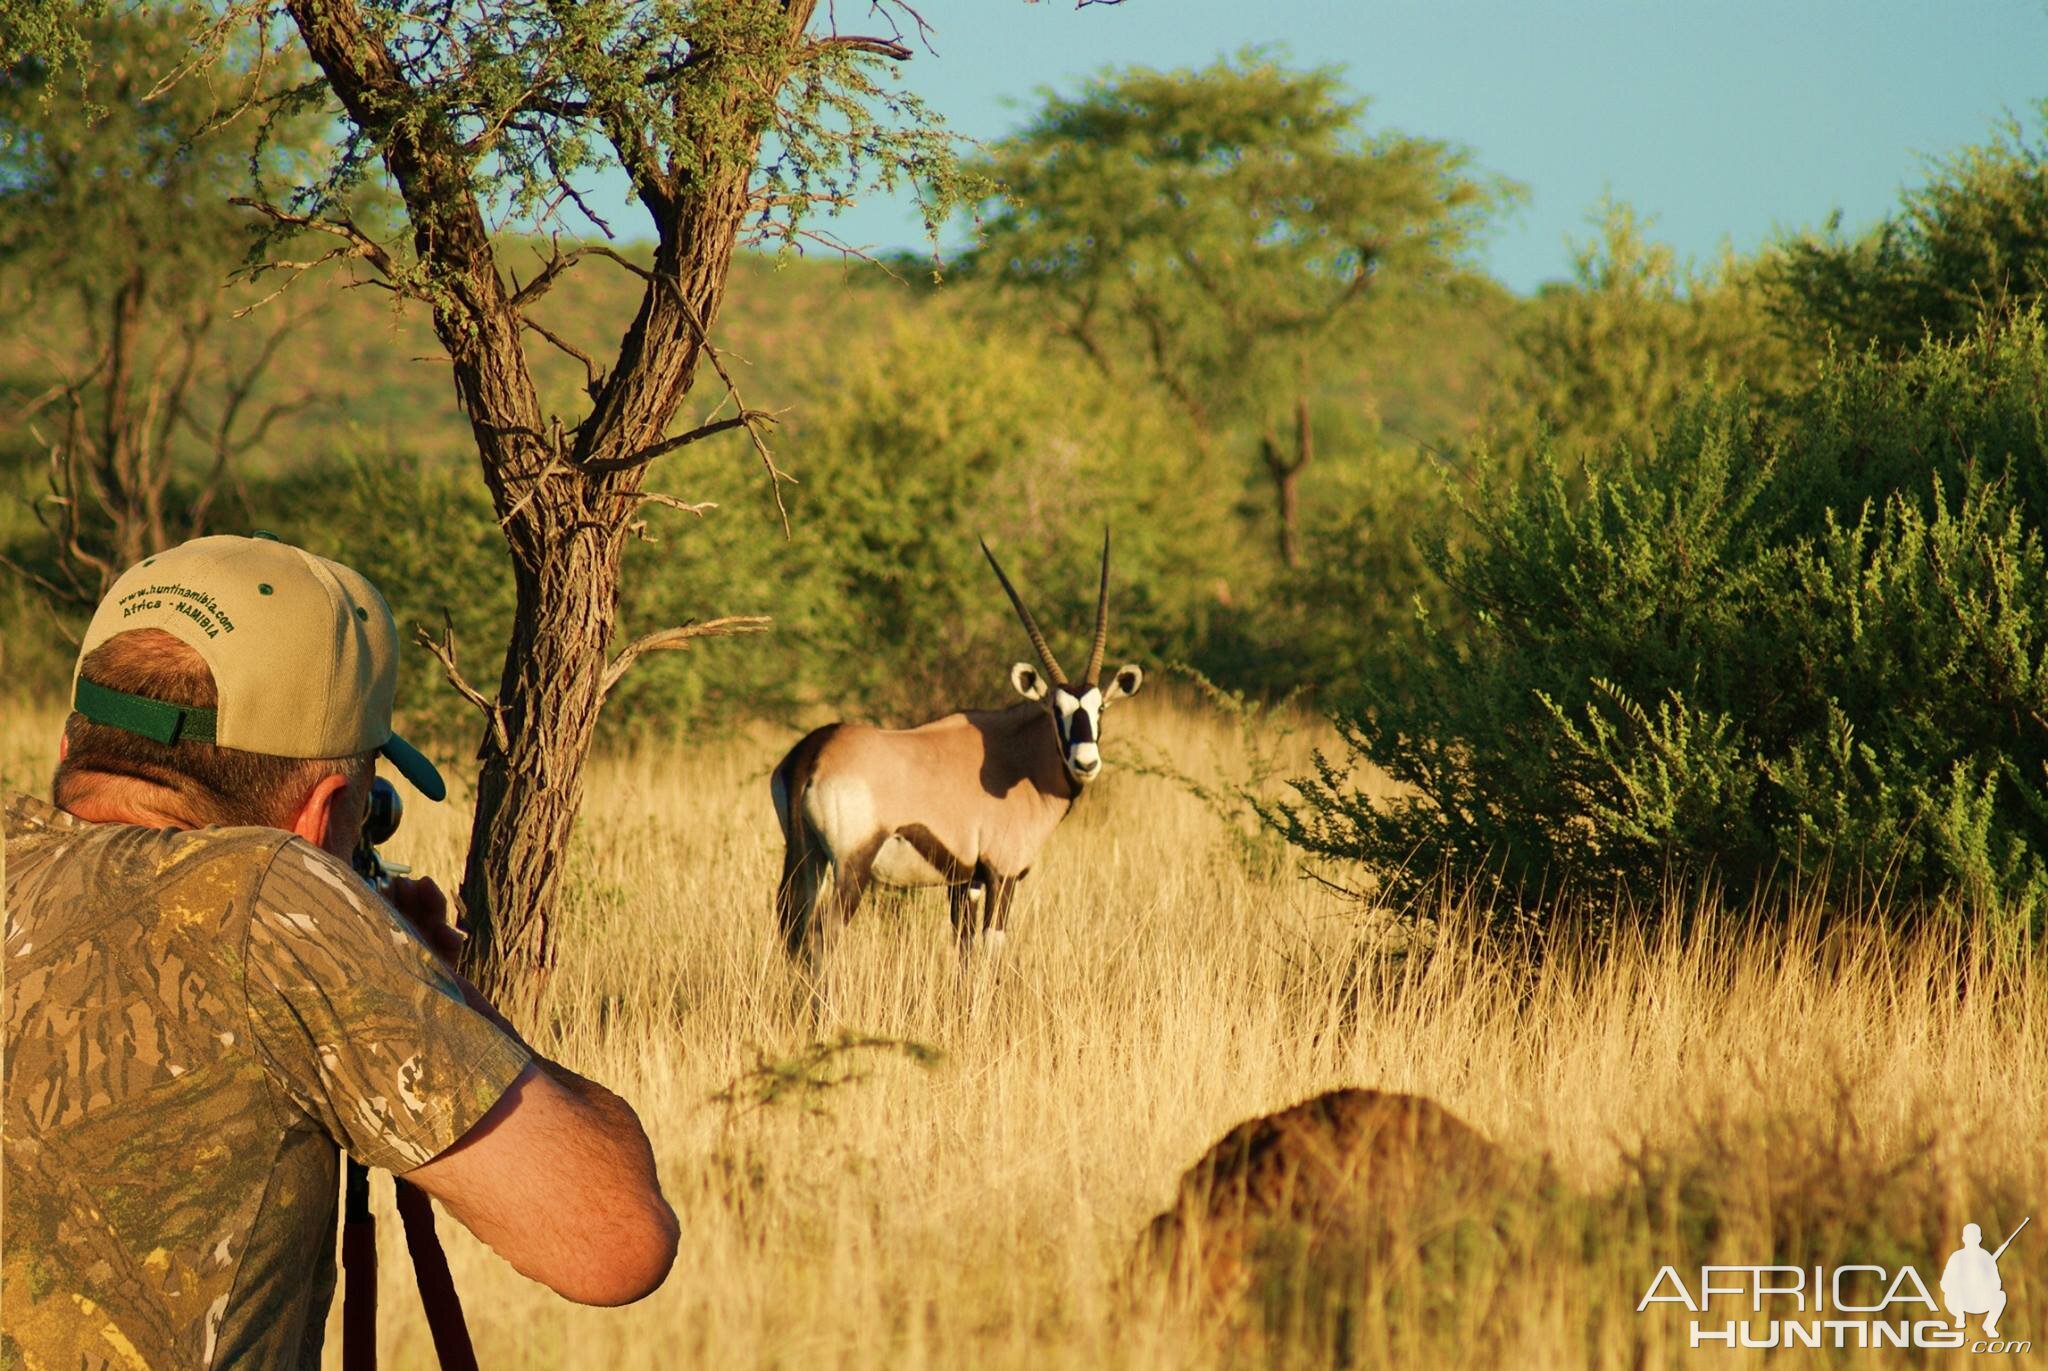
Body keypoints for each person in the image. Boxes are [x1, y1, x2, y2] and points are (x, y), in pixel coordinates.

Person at [3, 534, 679, 1368]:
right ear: (325, 815)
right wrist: (438, 988)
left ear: (73, 750)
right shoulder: (272, 897)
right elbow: (614, 1243)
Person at [1941, 1222, 2008, 1339]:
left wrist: (1983, 1281)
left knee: (2001, 1296)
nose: (1971, 1240)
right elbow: (1945, 1283)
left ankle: (1989, 1325)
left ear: (1979, 1238)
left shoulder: (1986, 1257)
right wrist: (1959, 1284)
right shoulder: (1956, 1257)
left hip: (1980, 1301)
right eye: (1969, 1237)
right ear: (1963, 1238)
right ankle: (1960, 1317)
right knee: (1955, 1289)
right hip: (1959, 1302)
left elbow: (1997, 1284)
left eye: (1974, 1237)